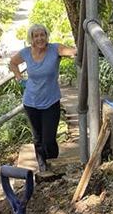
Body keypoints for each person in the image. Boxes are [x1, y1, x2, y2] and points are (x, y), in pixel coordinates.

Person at [9, 24, 76, 172]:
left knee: (48, 140)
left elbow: (71, 51)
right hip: (31, 102)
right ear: (31, 38)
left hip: (51, 101)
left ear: (46, 36)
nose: (39, 38)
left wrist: (75, 53)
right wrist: (20, 79)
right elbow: (13, 63)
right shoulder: (26, 52)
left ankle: (54, 166)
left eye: (42, 35)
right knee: (37, 139)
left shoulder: (54, 49)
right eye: (36, 36)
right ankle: (43, 169)